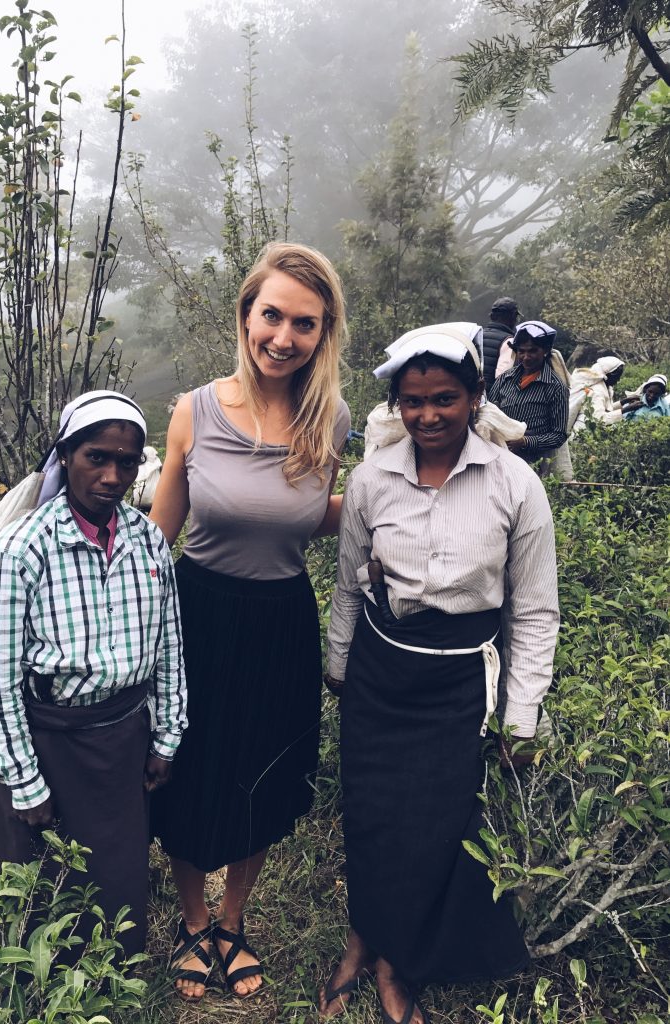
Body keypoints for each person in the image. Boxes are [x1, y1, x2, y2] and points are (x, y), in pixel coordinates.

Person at [320, 324, 559, 1024]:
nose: (427, 416)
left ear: (476, 396)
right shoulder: (371, 480)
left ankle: (397, 964)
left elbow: (535, 612)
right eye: (412, 401)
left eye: (444, 399)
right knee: (367, 814)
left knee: (432, 823)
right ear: (395, 403)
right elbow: (347, 585)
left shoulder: (515, 485)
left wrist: (522, 715)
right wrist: (338, 663)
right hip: (377, 674)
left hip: (457, 683)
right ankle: (362, 939)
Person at [149, 242, 351, 1000]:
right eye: (272, 315)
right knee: (192, 770)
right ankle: (194, 920)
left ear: (322, 333)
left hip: (281, 621)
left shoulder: (330, 420)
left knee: (263, 774)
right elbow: (155, 538)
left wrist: (401, 503)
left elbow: (306, 517)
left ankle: (235, 921)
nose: (284, 337)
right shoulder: (194, 411)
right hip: (198, 613)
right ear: (246, 314)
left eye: (305, 324)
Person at [0, 390, 187, 962]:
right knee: (43, 881)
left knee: (116, 867)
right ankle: (41, 988)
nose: (113, 475)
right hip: (49, 741)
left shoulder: (148, 543)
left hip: (122, 734)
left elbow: (168, 647)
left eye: (128, 460)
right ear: (66, 456)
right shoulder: (21, 549)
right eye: (97, 457)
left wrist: (165, 736)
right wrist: (24, 779)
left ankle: (113, 975)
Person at [487, 320, 569, 467]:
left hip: (534, 463)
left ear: (545, 351)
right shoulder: (505, 379)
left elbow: (558, 435)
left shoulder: (555, 387)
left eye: (532, 351)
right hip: (501, 457)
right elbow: (488, 411)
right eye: (521, 351)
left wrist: (526, 442)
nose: (526, 357)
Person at [569, 355, 632, 431]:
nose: (618, 380)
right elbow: (599, 419)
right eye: (617, 376)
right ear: (610, 374)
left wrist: (624, 402)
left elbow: (604, 408)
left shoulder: (605, 386)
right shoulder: (597, 391)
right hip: (583, 433)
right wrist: (625, 410)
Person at [482, 296, 519, 389]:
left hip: (472, 396)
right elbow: (502, 378)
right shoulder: (509, 341)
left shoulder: (478, 334)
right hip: (490, 399)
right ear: (512, 317)